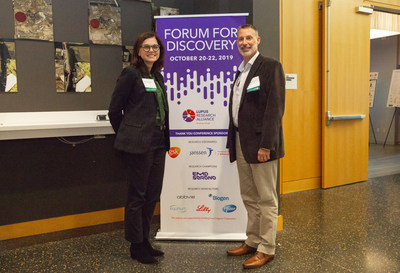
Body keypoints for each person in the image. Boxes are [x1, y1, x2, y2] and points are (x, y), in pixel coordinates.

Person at [226, 24, 285, 269]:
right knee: (249, 196)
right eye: (240, 38)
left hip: (262, 144)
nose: (244, 42)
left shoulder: (270, 66)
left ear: (258, 40)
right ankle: (252, 240)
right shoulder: (240, 72)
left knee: (266, 199)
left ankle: (267, 248)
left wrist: (266, 145)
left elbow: (275, 109)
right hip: (241, 141)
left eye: (249, 37)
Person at [108, 32, 169, 264]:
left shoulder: (157, 77)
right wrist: (128, 134)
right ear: (138, 50)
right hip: (138, 146)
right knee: (137, 195)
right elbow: (115, 110)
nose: (151, 50)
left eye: (155, 47)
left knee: (152, 195)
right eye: (146, 47)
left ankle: (144, 240)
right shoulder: (131, 74)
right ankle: (136, 245)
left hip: (158, 143)